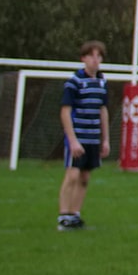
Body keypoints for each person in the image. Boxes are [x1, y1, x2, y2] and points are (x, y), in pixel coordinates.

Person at [56, 41, 111, 231]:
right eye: (92, 56)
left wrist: (105, 139)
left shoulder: (102, 82)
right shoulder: (74, 82)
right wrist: (72, 140)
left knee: (85, 177)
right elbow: (65, 112)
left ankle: (75, 215)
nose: (96, 60)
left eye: (99, 56)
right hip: (78, 136)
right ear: (83, 59)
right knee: (72, 175)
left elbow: (103, 110)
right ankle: (63, 217)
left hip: (93, 138)